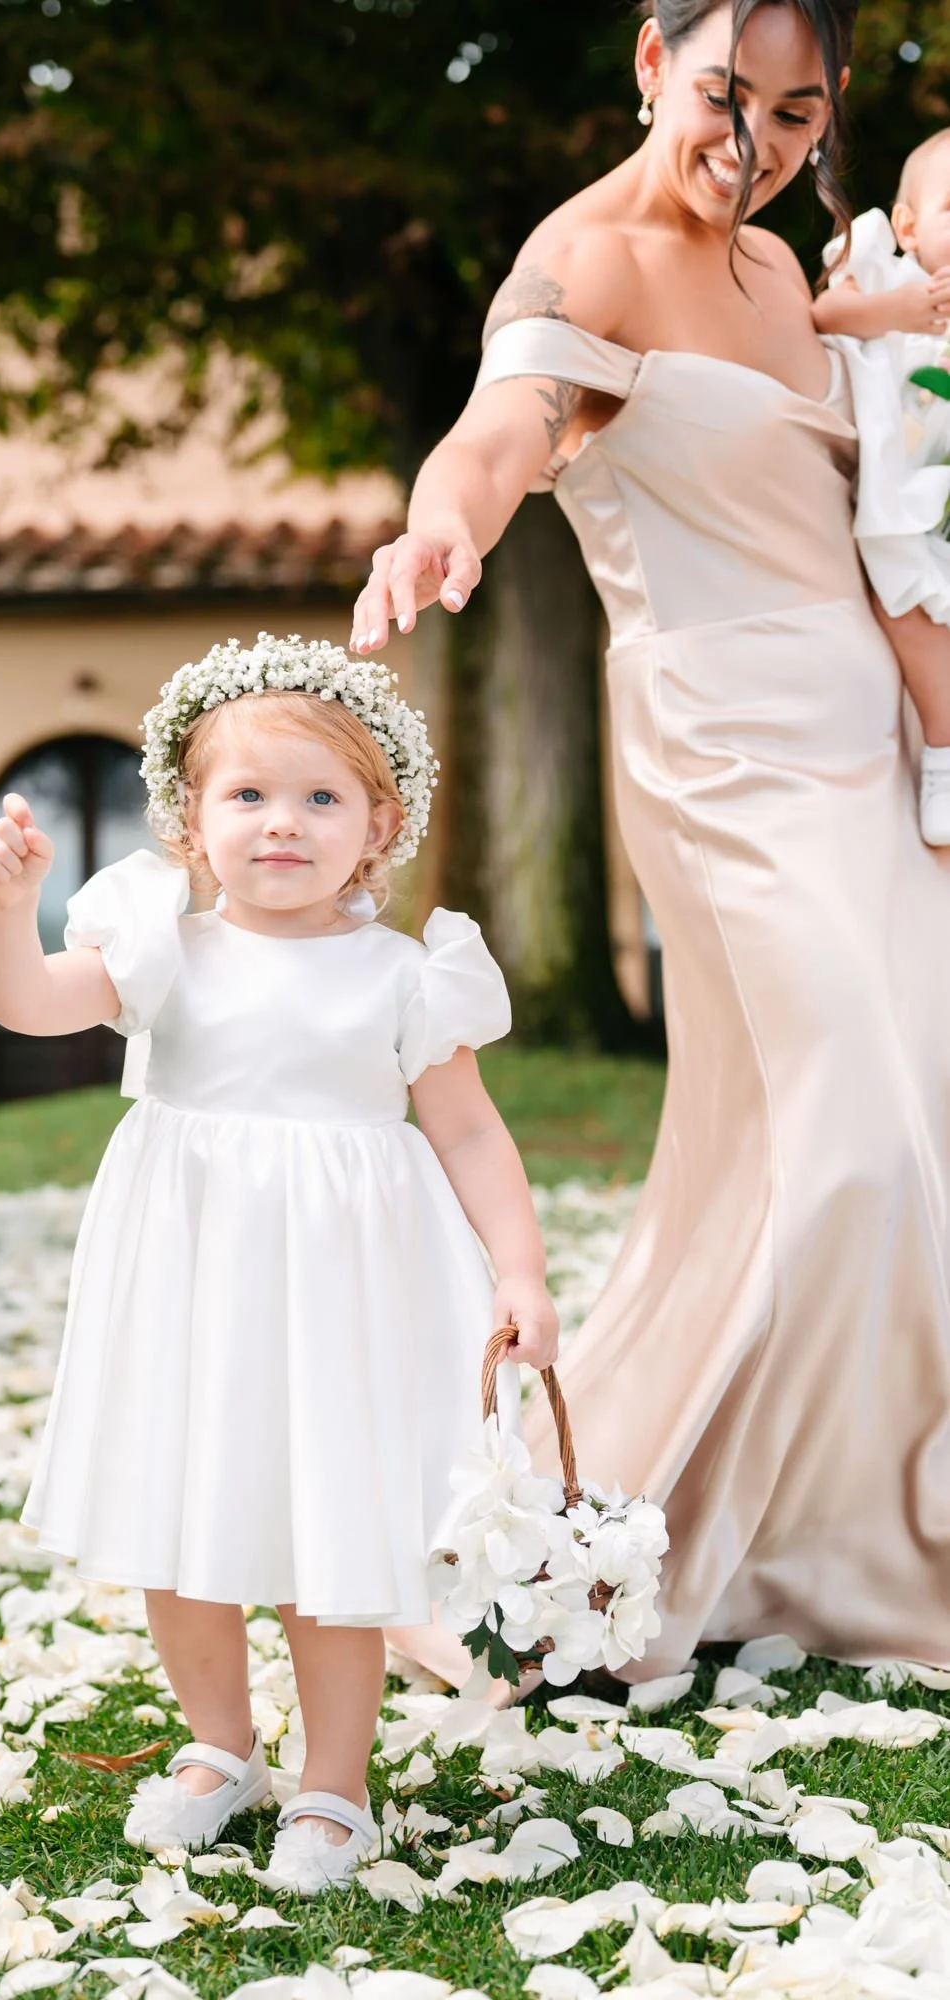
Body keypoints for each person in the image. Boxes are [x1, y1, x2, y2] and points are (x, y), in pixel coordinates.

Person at [352, 0, 950, 1676]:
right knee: (852, 1146)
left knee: (898, 1126)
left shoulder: (790, 273)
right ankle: (627, 1542)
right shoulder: (584, 262)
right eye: (719, 96)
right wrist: (436, 532)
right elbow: (503, 433)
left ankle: (835, 1537)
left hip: (867, 741)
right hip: (722, 753)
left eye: (793, 110)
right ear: (644, 66)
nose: (747, 142)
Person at [0, 633, 558, 1891]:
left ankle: (335, 1783)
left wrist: (519, 1269)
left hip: (340, 1285)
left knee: (324, 1523)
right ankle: (218, 1746)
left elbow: (462, 1125)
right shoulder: (159, 946)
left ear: (376, 822)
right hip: (190, 1270)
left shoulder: (403, 973)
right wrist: (6, 904)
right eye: (245, 795)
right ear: (191, 815)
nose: (278, 824)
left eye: (317, 798)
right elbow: (23, 1001)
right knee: (185, 1513)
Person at [813, 130, 950, 843]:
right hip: (904, 504)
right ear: (908, 227)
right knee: (906, 609)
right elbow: (824, 316)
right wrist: (897, 314)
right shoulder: (887, 276)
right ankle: (944, 750)